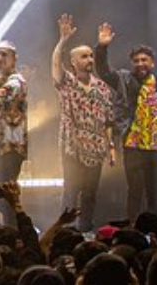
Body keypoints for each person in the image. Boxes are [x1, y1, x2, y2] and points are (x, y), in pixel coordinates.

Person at [95, 22, 157, 220]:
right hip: (134, 145)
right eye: (136, 60)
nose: (140, 64)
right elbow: (103, 72)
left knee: (156, 195)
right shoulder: (124, 79)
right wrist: (102, 47)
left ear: (152, 62)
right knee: (135, 192)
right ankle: (132, 232)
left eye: (144, 60)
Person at [50, 14, 115, 232]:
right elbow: (55, 64)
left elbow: (108, 120)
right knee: (71, 190)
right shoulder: (67, 82)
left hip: (95, 147)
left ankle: (86, 229)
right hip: (73, 146)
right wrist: (62, 40)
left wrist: (111, 147)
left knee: (90, 193)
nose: (89, 60)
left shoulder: (102, 88)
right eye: (84, 57)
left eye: (90, 56)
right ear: (74, 62)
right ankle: (65, 231)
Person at [0, 40, 27, 227]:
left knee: (2, 191)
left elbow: (10, 92)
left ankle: (17, 228)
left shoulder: (16, 81)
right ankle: (15, 226)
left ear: (14, 58)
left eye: (4, 54)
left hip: (10, 146)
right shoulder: (1, 81)